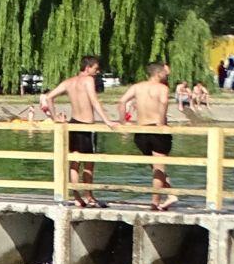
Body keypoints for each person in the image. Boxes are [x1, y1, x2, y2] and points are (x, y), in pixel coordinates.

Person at [54, 54, 113, 205]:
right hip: (86, 125)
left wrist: (55, 117)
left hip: (73, 124)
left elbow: (49, 97)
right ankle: (89, 196)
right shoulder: (88, 80)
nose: (97, 72)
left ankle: (77, 197)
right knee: (89, 163)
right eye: (95, 69)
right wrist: (107, 120)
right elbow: (94, 101)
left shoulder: (69, 82)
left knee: (74, 162)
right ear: (87, 68)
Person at [119, 60, 176, 210]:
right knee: (159, 167)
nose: (166, 74)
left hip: (141, 130)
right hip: (156, 130)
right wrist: (161, 123)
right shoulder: (162, 88)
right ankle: (155, 202)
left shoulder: (137, 87)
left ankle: (171, 195)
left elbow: (122, 101)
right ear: (158, 73)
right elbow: (163, 104)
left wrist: (122, 121)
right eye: (164, 72)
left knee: (156, 166)